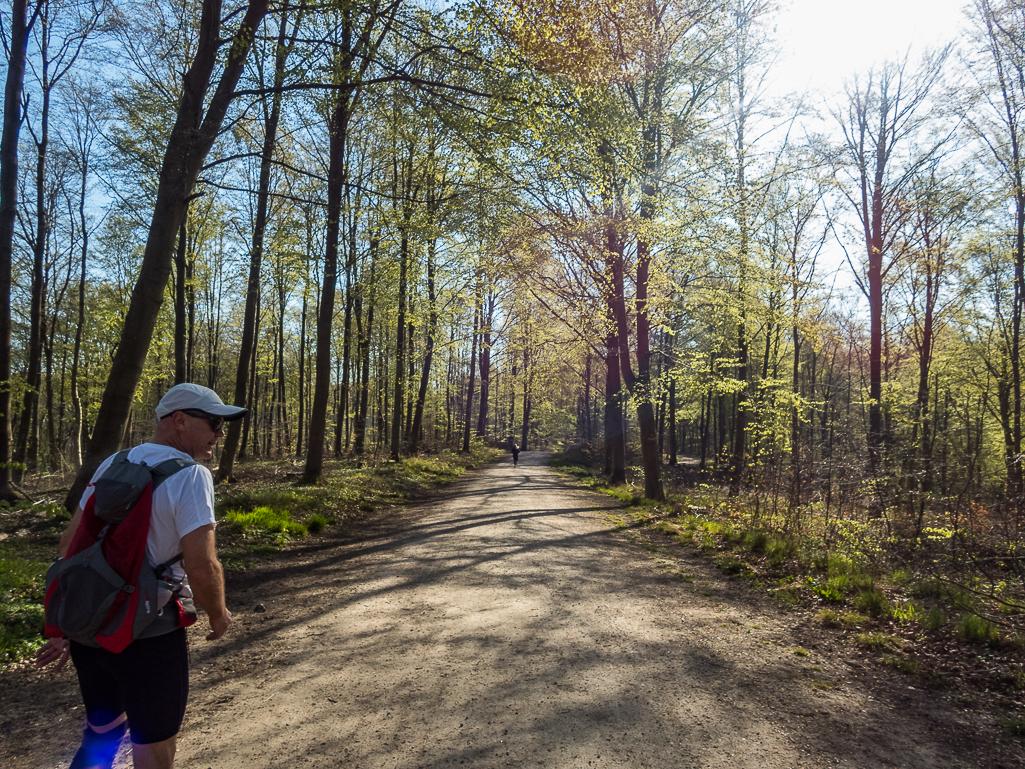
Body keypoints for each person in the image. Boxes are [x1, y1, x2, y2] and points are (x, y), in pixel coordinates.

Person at [36, 382, 246, 769]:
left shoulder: (114, 463)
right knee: (153, 745)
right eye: (214, 422)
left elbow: (70, 545)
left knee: (102, 731)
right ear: (179, 420)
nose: (220, 433)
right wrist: (218, 613)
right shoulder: (192, 475)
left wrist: (72, 622)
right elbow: (202, 565)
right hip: (148, 634)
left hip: (91, 629)